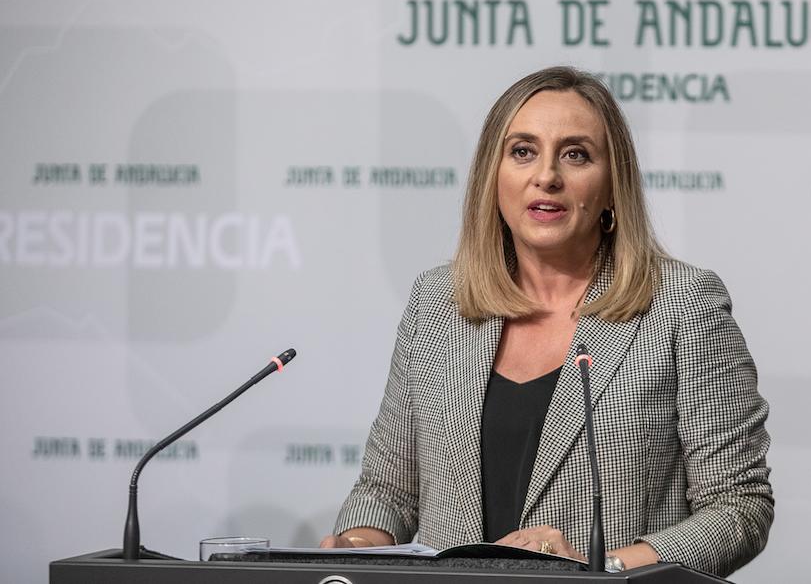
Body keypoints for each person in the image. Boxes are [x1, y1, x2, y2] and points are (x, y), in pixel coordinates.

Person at [320, 66, 772, 577]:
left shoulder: (682, 305)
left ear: (611, 186)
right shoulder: (436, 304)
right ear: (494, 176)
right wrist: (356, 543)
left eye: (576, 154)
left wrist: (604, 567)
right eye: (522, 151)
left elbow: (738, 506)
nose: (547, 176)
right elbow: (388, 492)